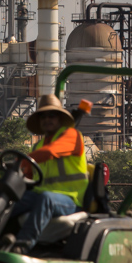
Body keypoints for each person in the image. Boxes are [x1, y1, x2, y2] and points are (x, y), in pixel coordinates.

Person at [8, 94, 89, 253]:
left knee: (47, 199)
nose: (47, 119)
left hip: (71, 200)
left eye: (51, 115)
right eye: (43, 116)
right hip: (42, 197)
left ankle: (22, 245)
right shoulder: (37, 147)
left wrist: (22, 161)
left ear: (59, 118)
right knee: (10, 200)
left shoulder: (72, 136)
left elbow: (51, 152)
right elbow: (28, 176)